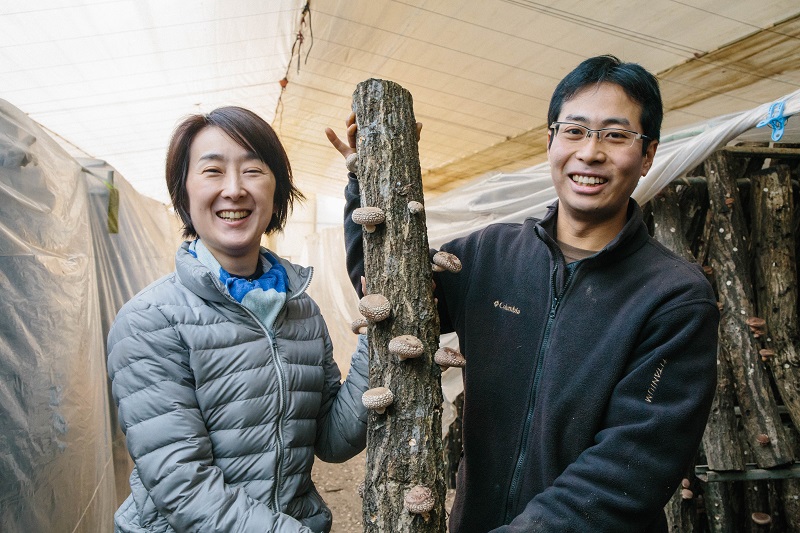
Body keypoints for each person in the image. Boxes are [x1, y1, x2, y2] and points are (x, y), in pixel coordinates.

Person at [327, 55, 719, 532]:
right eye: (574, 130)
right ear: (549, 140)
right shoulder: (489, 254)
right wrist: (366, 180)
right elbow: (390, 293)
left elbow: (633, 463)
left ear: (648, 154)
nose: (590, 152)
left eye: (615, 135)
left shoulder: (674, 295)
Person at [108, 106, 369, 533]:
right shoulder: (151, 320)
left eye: (253, 170)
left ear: (277, 190)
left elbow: (332, 440)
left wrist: (378, 341)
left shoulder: (301, 310)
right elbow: (185, 488)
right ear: (184, 192)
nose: (234, 190)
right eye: (212, 171)